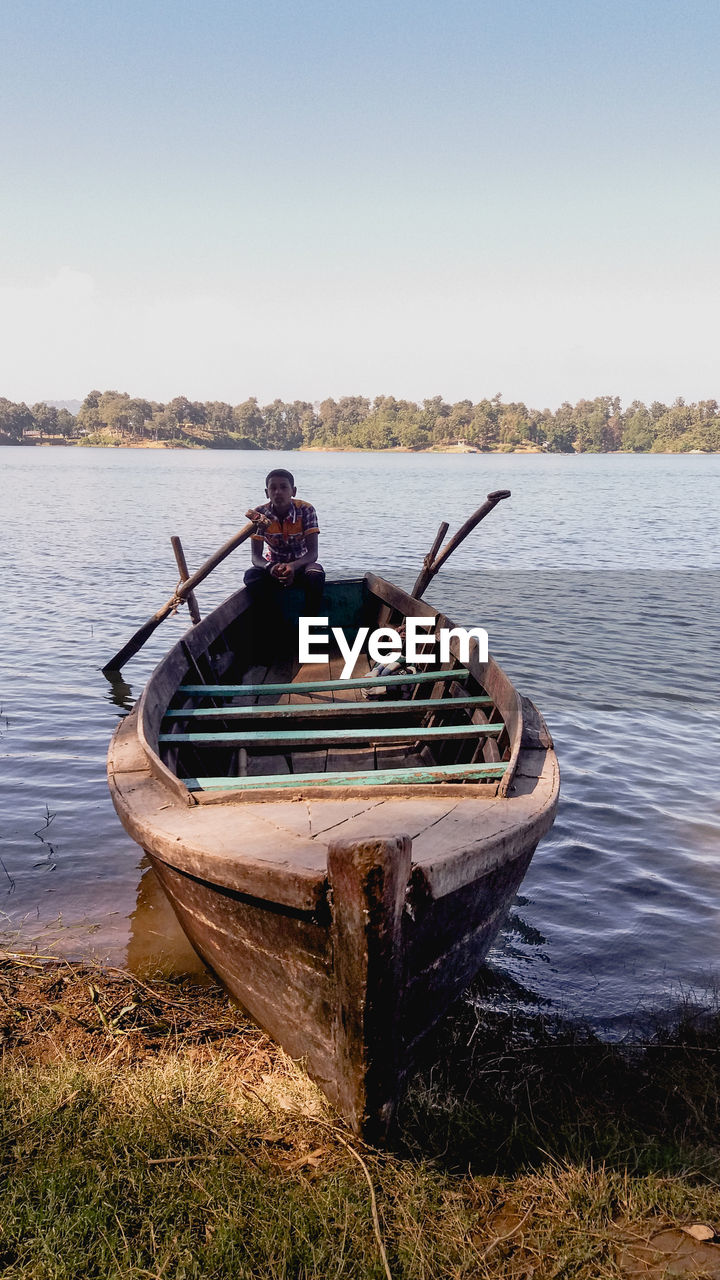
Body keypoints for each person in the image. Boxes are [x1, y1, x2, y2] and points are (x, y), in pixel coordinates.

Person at [243, 469, 325, 614]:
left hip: (301, 566)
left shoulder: (306, 510)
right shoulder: (260, 514)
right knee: (251, 576)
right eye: (273, 488)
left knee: (315, 574)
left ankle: (311, 623)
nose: (278, 492)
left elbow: (313, 553)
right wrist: (270, 567)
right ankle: (274, 622)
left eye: (283, 487)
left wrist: (293, 566)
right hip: (273, 568)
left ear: (293, 491)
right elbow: (256, 557)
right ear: (266, 493)